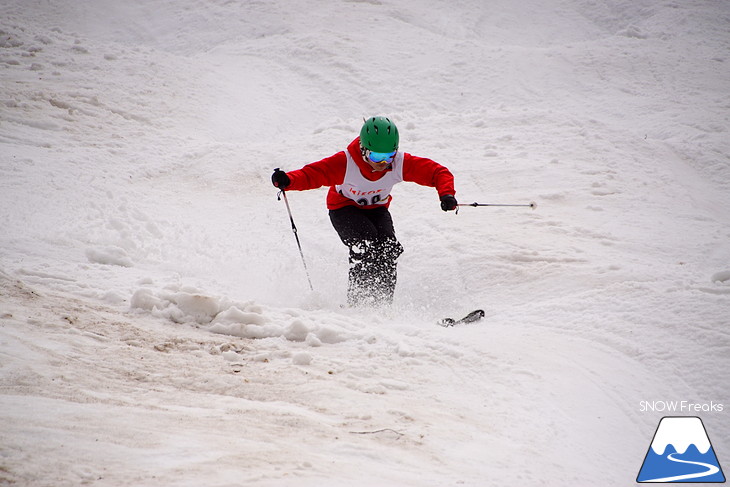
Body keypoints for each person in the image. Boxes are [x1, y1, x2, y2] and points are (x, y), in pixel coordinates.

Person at [271, 116, 457, 306]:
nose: (383, 163)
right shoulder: (345, 162)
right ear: (363, 149)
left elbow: (437, 172)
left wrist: (446, 194)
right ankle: (357, 304)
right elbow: (312, 174)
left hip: (377, 210)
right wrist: (288, 180)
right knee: (365, 242)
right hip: (343, 209)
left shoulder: (399, 163)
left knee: (387, 248)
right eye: (377, 156)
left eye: (389, 156)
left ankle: (381, 306)